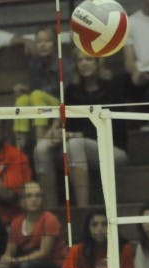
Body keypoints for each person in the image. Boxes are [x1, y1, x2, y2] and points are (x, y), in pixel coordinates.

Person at [34, 53, 127, 210]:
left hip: (112, 148)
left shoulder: (113, 88)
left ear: (98, 63)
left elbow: (116, 128)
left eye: (89, 60)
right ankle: (50, 211)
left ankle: (83, 210)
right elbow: (65, 123)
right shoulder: (72, 91)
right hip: (75, 146)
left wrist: (78, 135)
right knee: (41, 148)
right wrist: (56, 132)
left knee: (75, 144)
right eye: (80, 60)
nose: (84, 64)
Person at [12, 27, 60, 151]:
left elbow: (67, 93)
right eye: (39, 42)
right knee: (22, 99)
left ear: (54, 44)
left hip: (60, 105)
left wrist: (57, 123)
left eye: (47, 41)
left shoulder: (63, 65)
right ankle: (20, 147)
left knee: (37, 95)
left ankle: (40, 140)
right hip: (40, 101)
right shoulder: (34, 64)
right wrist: (25, 89)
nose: (43, 45)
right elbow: (36, 89)